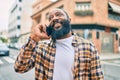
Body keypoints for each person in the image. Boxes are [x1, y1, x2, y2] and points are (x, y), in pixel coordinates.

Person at [14, 8, 104, 80]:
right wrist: (34, 38)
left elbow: (97, 77)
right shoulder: (41, 48)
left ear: (69, 20)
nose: (54, 18)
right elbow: (20, 68)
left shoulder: (88, 47)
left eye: (58, 15)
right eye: (50, 18)